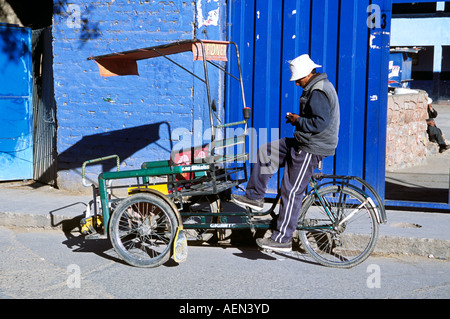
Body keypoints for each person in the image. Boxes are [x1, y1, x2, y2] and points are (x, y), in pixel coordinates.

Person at [231, 54, 340, 252]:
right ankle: (254, 197)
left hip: (311, 146)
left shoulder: (318, 91)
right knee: (267, 151)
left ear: (308, 74)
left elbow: (319, 123)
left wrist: (298, 120)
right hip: (302, 139)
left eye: (298, 79)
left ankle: (282, 239)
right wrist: (297, 120)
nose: (297, 83)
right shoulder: (314, 87)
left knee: (291, 190)